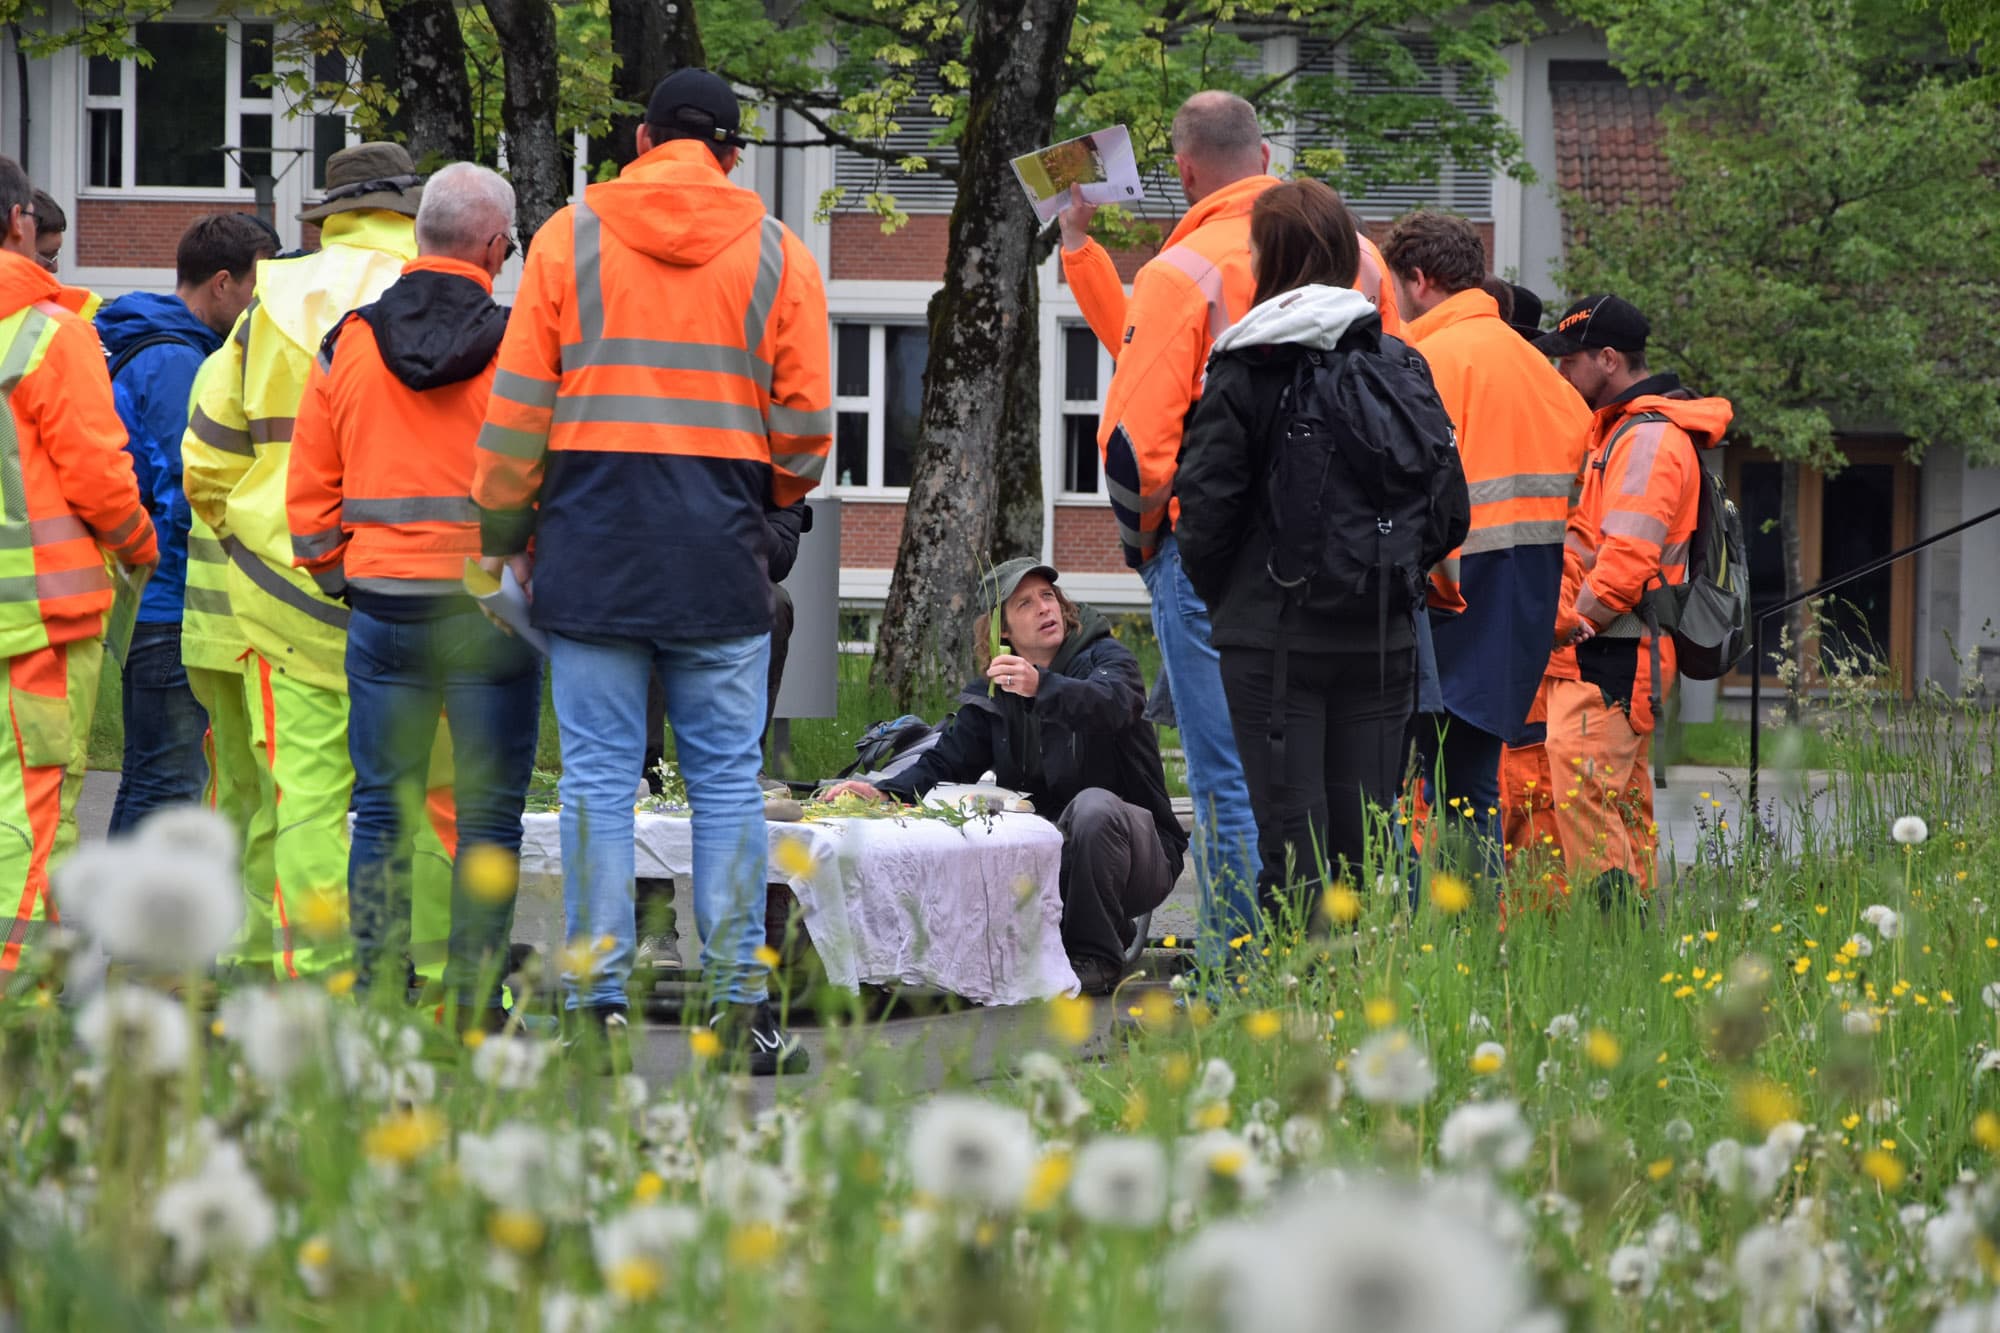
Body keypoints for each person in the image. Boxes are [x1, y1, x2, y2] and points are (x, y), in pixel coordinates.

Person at [473, 68, 830, 1073]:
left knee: (595, 780)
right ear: (728, 153)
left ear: (639, 139)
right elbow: (804, 427)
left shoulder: (564, 239)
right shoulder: (776, 254)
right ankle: (739, 1011)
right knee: (723, 781)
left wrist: (504, 536)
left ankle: (591, 1007)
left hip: (588, 549)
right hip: (717, 552)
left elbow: (514, 419)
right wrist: (771, 504)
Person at [184, 143, 459, 981]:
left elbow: (206, 461)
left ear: (326, 217)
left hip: (288, 595)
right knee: (426, 799)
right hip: (422, 593)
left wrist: (259, 540)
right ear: (408, 209)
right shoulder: (447, 293)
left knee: (303, 799)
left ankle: (323, 985)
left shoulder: (263, 308)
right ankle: (436, 980)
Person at [287, 164, 536, 1026]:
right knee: (488, 822)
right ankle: (475, 1005)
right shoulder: (517, 345)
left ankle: (381, 992)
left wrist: (340, 579)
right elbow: (541, 479)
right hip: (488, 616)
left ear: (419, 235)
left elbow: (309, 495)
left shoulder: (347, 341)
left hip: (383, 608)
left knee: (381, 813)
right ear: (497, 247)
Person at [1052, 90, 1278, 967]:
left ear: (1184, 171)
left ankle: (1238, 966)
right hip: (1338, 555)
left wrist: (1151, 546)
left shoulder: (1185, 272)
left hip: (1213, 553)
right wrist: (1082, 251)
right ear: (1263, 158)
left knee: (1227, 772)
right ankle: (1324, 954)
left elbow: (1141, 431)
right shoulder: (1354, 257)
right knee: (1323, 767)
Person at [1177, 180, 1442, 911]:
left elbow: (1204, 511)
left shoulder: (1245, 365)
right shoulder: (1401, 364)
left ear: (1271, 259)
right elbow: (1447, 511)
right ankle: (1363, 1008)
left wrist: (1235, 599)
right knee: (1365, 844)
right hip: (1383, 637)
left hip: (1274, 642)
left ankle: (1292, 1006)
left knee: (1293, 846)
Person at [824, 560, 1186, 995]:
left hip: (1143, 852)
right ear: (1003, 631)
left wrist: (1042, 687)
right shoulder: (995, 693)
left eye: (1048, 596)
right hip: (1054, 855)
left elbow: (1112, 703)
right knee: (970, 824)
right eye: (1025, 603)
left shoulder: (1108, 658)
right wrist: (881, 792)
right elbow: (944, 764)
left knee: (1093, 806)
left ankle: (1097, 959)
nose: (1043, 608)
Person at [1382, 210, 1592, 887]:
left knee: (1384, 791)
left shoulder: (1424, 360)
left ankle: (1405, 934)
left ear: (1418, 280)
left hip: (1440, 607)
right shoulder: (1542, 374)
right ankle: (1475, 936)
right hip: (1518, 612)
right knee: (1473, 791)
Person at [0, 157, 157, 973]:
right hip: (37, 624)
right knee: (30, 807)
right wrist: (139, 543)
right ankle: (17, 988)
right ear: (21, 220)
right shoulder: (48, 333)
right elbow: (99, 473)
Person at [1536, 294, 1733, 897]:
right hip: (1622, 654)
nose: (1562, 373)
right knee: (1619, 806)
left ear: (1609, 359)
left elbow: (1627, 558)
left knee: (1586, 798)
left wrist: (1573, 622)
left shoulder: (1646, 439)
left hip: (1613, 654)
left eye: (1570, 360)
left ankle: (1610, 930)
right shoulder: (1627, 432)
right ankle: (1627, 946)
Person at [96, 212, 275, 835]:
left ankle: (115, 928)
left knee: (153, 777)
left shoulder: (153, 342)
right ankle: (132, 931)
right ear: (222, 282)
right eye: (259, 286)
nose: (264, 305)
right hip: (171, 603)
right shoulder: (178, 362)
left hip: (147, 598)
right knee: (168, 782)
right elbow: (187, 493)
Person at [636, 502, 805, 973]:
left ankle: (745, 935)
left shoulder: (772, 459)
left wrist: (727, 501)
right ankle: (649, 928)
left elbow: (779, 556)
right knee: (639, 775)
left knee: (774, 601)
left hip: (733, 595)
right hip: (646, 592)